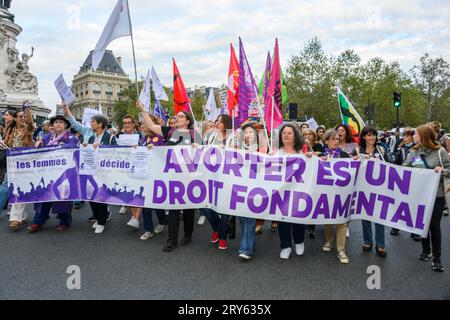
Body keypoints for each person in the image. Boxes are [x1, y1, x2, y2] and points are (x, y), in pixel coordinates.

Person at [136, 100, 201, 252]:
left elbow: (202, 155)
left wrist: (196, 147)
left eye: (180, 116)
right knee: (173, 208)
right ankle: (172, 239)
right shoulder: (169, 132)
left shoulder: (194, 134)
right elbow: (151, 126)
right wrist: (142, 110)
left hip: (189, 177)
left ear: (187, 120)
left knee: (189, 209)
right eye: (176, 116)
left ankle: (188, 234)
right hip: (172, 176)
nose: (176, 118)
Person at [403, 125, 450, 272]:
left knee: (434, 226)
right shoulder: (414, 152)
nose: (413, 135)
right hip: (419, 195)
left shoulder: (440, 151)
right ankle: (426, 250)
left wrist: (442, 170)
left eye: (415, 133)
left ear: (423, 136)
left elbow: (449, 170)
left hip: (437, 195)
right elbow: (403, 168)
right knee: (422, 223)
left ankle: (437, 259)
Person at [27, 116, 79, 232]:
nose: (58, 124)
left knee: (62, 197)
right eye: (55, 122)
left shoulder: (71, 137)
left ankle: (64, 221)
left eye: (61, 122)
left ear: (66, 125)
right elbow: (40, 149)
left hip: (64, 172)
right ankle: (38, 220)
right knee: (43, 196)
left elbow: (72, 148)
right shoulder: (47, 137)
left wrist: (58, 147)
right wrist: (39, 143)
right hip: (47, 173)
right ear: (52, 125)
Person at [276, 123, 311, 260]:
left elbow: (314, 166)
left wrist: (314, 158)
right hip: (280, 192)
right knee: (282, 219)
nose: (286, 135)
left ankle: (299, 241)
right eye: (284, 133)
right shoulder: (274, 152)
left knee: (297, 217)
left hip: (298, 191)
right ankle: (286, 246)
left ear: (295, 136)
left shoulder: (302, 153)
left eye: (289, 133)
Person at [353, 127, 387, 257]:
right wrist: (356, 160)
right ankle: (368, 241)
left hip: (380, 187)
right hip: (364, 188)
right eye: (368, 135)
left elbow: (391, 165)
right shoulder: (357, 150)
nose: (371, 138)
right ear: (363, 137)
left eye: (373, 135)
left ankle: (381, 244)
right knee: (365, 216)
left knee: (380, 217)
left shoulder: (382, 149)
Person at [319, 129, 350, 264]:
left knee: (342, 221)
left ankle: (341, 250)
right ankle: (328, 240)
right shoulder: (320, 155)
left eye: (338, 139)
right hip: (326, 192)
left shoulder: (344, 155)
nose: (336, 141)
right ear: (326, 141)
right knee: (329, 219)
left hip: (341, 192)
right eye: (333, 139)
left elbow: (351, 170)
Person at [83, 114, 117, 234]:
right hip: (92, 171)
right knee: (91, 196)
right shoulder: (92, 138)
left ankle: (102, 221)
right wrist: (85, 147)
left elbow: (115, 152)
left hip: (104, 172)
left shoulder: (110, 137)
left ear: (100, 124)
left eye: (93, 122)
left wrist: (101, 147)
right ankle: (97, 217)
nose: (91, 124)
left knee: (101, 196)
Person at [203, 115, 233, 250]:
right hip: (211, 176)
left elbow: (237, 155)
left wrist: (226, 150)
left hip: (227, 178)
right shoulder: (211, 137)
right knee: (206, 207)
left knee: (225, 208)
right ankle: (217, 229)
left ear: (226, 124)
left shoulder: (233, 138)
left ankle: (222, 237)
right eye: (216, 121)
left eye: (220, 122)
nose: (217, 123)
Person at [6, 102, 35, 230]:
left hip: (26, 164)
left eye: (24, 117)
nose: (23, 118)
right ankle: (22, 216)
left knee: (19, 188)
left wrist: (26, 108)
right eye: (20, 117)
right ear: (16, 119)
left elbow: (30, 123)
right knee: (16, 188)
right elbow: (8, 144)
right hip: (13, 164)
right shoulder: (11, 130)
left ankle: (15, 218)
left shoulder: (28, 130)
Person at [139, 115, 167, 240]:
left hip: (157, 175)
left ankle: (162, 221)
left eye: (143, 123)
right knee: (145, 203)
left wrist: (155, 149)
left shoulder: (159, 137)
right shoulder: (144, 138)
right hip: (145, 175)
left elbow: (165, 154)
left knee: (156, 202)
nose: (141, 126)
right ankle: (148, 229)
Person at [391, 129, 421, 240]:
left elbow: (417, 164)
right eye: (404, 136)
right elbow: (394, 161)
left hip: (413, 179)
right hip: (401, 179)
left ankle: (414, 230)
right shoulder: (400, 147)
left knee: (413, 205)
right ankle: (396, 226)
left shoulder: (416, 149)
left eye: (407, 136)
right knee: (399, 203)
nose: (404, 138)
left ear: (412, 137)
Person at [237, 122, 261, 260]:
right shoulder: (238, 148)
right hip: (240, 187)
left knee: (249, 217)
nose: (247, 134)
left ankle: (245, 249)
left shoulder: (264, 149)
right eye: (245, 132)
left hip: (255, 189)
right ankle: (250, 242)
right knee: (242, 217)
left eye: (251, 132)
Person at [116, 115, 142, 226]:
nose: (126, 125)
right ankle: (133, 216)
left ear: (133, 124)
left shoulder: (140, 136)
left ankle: (136, 218)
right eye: (125, 123)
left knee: (138, 193)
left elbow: (148, 148)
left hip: (139, 168)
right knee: (129, 193)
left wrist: (140, 147)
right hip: (125, 168)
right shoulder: (119, 137)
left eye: (129, 122)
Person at [302, 128, 323, 239]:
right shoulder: (299, 146)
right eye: (305, 134)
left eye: (310, 134)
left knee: (312, 200)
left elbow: (317, 156)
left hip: (314, 176)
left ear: (314, 136)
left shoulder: (318, 145)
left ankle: (311, 227)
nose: (308, 136)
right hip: (303, 176)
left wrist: (309, 146)